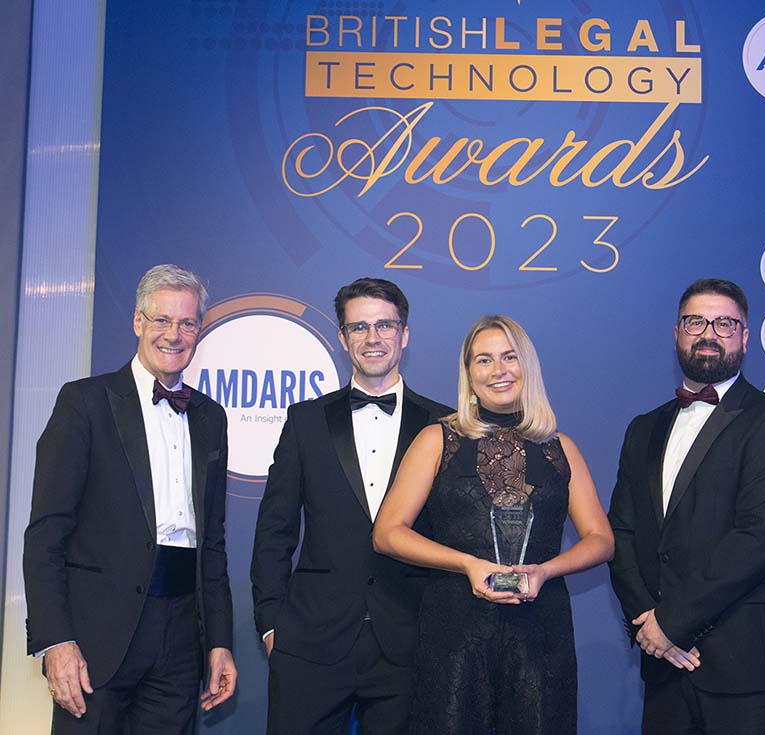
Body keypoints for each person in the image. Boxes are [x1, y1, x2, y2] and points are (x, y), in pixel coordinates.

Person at [373, 314, 614, 735]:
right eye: (483, 360)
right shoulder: (436, 440)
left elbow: (601, 540)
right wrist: (467, 564)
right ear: (468, 373)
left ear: (528, 366)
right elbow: (388, 533)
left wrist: (545, 570)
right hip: (455, 632)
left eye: (509, 357)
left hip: (541, 633)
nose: (498, 370)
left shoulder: (562, 448)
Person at [23, 264, 236, 734]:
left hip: (181, 637)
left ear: (199, 329)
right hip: (98, 636)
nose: (174, 334)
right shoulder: (84, 403)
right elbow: (46, 533)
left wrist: (219, 640)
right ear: (138, 322)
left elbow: (213, 542)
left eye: (187, 323)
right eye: (161, 320)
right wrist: (55, 640)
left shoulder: (210, 417)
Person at [608, 278, 765, 735]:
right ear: (676, 333)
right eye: (695, 321)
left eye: (724, 323)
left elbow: (758, 539)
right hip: (664, 671)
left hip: (750, 671)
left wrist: (672, 623)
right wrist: (650, 626)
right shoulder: (643, 429)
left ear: (745, 335)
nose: (709, 333)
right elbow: (620, 534)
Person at [251, 277, 451, 735]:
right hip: (311, 640)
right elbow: (274, 531)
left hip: (412, 639)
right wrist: (270, 624)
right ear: (342, 338)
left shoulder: (445, 425)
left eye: (384, 325)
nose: (373, 338)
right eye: (359, 328)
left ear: (405, 333)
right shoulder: (305, 421)